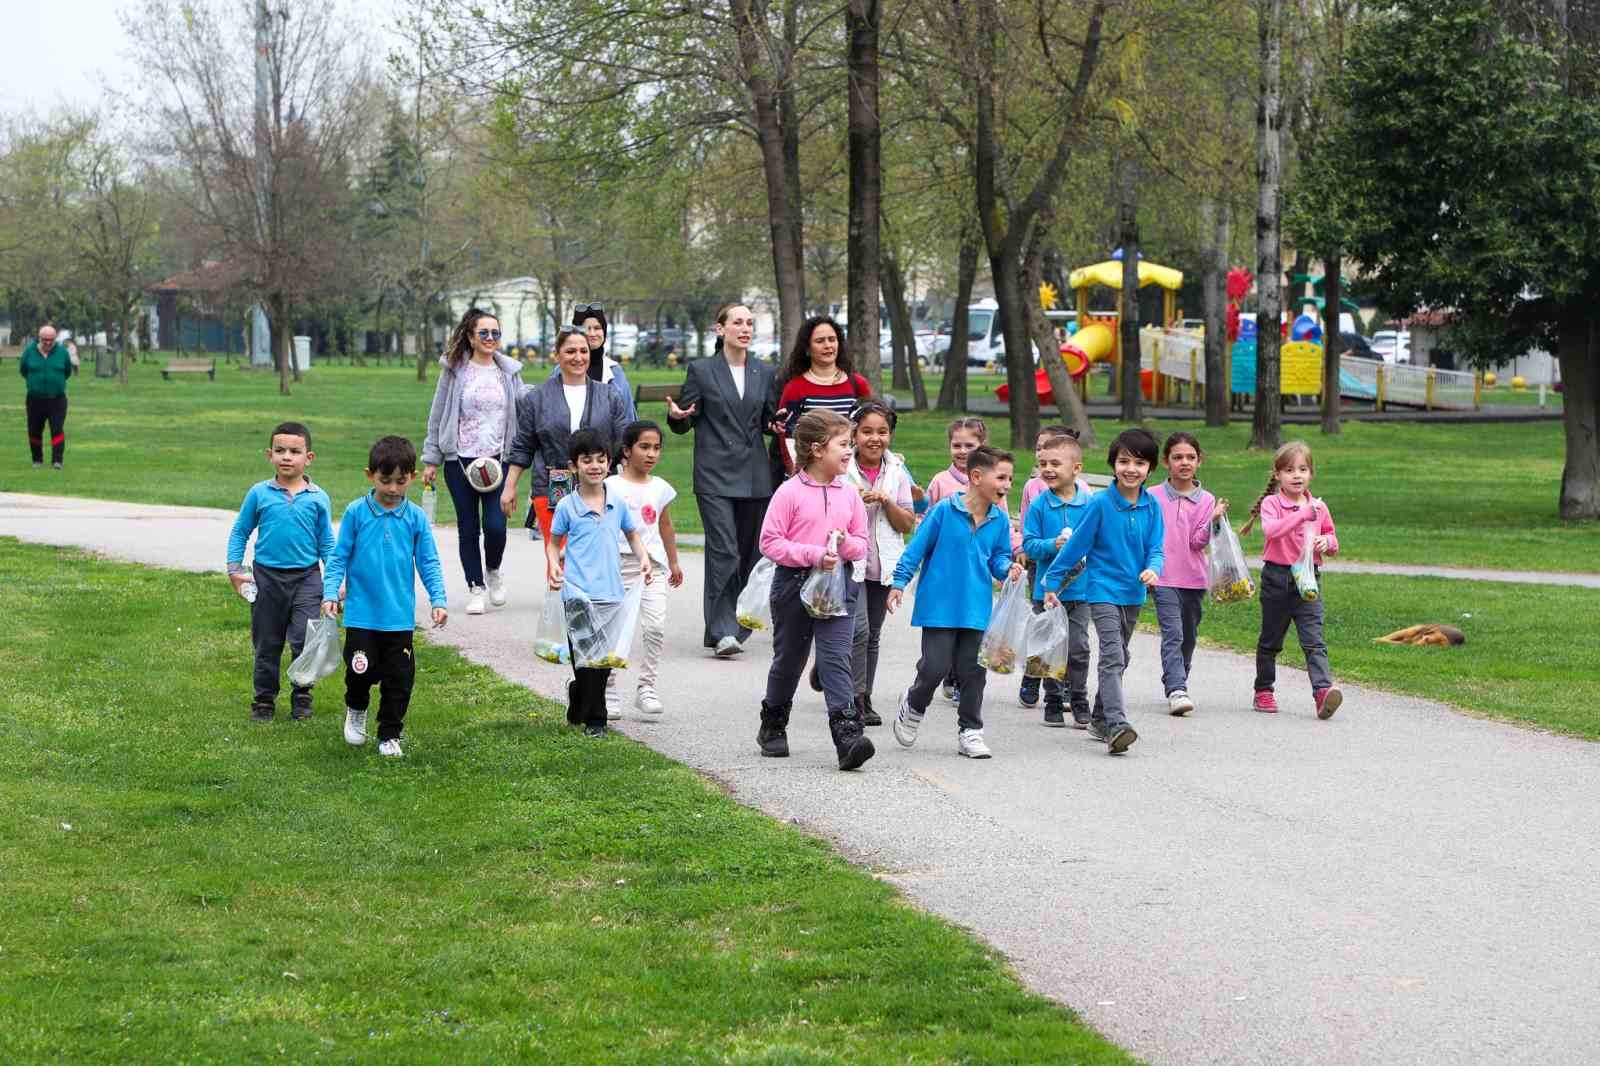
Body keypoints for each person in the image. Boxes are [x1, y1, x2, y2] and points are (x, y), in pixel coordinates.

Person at [755, 410, 874, 770]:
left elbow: (861, 541)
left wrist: (842, 547)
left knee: (837, 658)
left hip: (838, 586)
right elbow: (770, 542)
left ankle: (848, 737)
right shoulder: (789, 492)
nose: (850, 450)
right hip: (794, 585)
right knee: (790, 659)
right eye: (843, 444)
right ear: (817, 449)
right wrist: (812, 554)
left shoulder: (849, 494)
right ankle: (773, 724)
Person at [887, 445, 1022, 761]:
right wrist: (898, 582)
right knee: (935, 667)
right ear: (976, 476)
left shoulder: (999, 519)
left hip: (976, 609)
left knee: (973, 671)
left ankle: (970, 730)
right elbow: (916, 548)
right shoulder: (944, 511)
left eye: (1010, 479)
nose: (1007, 485)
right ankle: (914, 705)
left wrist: (1008, 569)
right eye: (1001, 477)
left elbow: (999, 557)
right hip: (938, 606)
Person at [322, 436, 448, 758]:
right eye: (385, 481)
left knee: (399, 680)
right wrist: (330, 592)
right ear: (370, 475)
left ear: (413, 477)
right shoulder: (356, 513)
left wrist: (438, 600)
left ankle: (389, 734)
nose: (393, 489)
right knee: (360, 671)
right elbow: (338, 557)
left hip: (399, 618)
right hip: (362, 614)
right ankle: (357, 709)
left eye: (401, 481)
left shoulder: (416, 517)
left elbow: (428, 561)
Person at [1042, 428, 1166, 756]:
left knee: (1121, 656)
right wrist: (1052, 581)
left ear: (1150, 469)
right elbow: (1076, 546)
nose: (1131, 469)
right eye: (1124, 461)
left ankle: (1098, 718)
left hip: (1134, 591)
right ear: (1113, 465)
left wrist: (1154, 567)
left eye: (1139, 463)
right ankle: (1116, 723)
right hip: (1102, 589)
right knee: (1112, 655)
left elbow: (1156, 548)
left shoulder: (1152, 507)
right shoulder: (1099, 504)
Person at [666, 303, 779, 658]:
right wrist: (678, 417)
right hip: (714, 473)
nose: (744, 328)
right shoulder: (701, 370)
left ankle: (737, 624)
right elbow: (684, 420)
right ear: (720, 329)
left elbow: (766, 421)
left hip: (754, 475)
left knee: (748, 554)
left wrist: (776, 424)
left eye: (749, 323)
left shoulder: (764, 371)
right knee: (723, 550)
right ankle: (720, 631)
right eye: (737, 323)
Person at [226, 421, 336, 723]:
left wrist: (336, 580)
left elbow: (327, 542)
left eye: (295, 451)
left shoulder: (317, 497)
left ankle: (302, 694)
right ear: (269, 455)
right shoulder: (259, 494)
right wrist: (234, 569)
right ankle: (263, 701)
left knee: (304, 639)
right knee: (267, 642)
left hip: (307, 579)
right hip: (267, 579)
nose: (287, 456)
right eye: (280, 450)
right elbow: (240, 531)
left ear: (308, 458)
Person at [501, 324, 632, 576]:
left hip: (598, 486)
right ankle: (563, 609)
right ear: (557, 355)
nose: (578, 357)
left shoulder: (608, 395)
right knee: (560, 557)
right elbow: (523, 445)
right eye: (570, 351)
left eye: (584, 351)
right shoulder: (537, 398)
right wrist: (510, 486)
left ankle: (591, 609)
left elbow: (623, 441)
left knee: (591, 555)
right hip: (553, 483)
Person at [421, 308, 527, 616]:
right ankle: (475, 587)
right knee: (468, 527)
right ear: (470, 336)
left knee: (496, 525)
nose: (491, 338)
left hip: (498, 459)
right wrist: (431, 459)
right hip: (460, 461)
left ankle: (493, 569)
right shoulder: (455, 371)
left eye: (496, 333)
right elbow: (437, 414)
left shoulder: (508, 371)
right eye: (484, 333)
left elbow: (525, 402)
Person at [547, 428, 653, 738]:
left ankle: (579, 701)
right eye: (586, 460)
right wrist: (554, 565)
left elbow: (633, 534)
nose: (594, 466)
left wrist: (643, 557)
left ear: (610, 463)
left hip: (611, 594)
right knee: (584, 659)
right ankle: (597, 720)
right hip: (577, 594)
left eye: (600, 460)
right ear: (573, 466)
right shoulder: (567, 506)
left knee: (602, 662)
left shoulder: (617, 502)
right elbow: (555, 543)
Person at [1240, 440, 1344, 719]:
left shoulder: (1319, 507)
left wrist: (1327, 542)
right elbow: (1272, 532)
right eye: (1289, 470)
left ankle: (1322, 692)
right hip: (1277, 577)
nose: (1296, 475)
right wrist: (1300, 516)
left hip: (1309, 578)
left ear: (1311, 474)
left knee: (1314, 640)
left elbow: (1333, 540)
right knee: (1271, 639)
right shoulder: (1272, 503)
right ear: (1277, 475)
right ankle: (1264, 689)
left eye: (1302, 469)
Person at [604, 420, 686, 720]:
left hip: (652, 568)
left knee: (655, 627)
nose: (651, 454)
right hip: (618, 566)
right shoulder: (610, 486)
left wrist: (674, 562)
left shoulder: (661, 488)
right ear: (627, 451)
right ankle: (608, 688)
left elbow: (665, 525)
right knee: (615, 631)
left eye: (656, 448)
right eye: (644, 447)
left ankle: (646, 687)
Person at [843, 400, 914, 727]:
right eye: (867, 431)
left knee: (871, 634)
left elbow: (906, 524)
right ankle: (854, 697)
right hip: (849, 562)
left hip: (882, 565)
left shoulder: (896, 472)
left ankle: (865, 695)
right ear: (853, 434)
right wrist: (854, 499)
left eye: (882, 432)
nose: (875, 438)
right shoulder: (843, 468)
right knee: (857, 631)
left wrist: (885, 500)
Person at [1019, 432, 1095, 728]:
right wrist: (1053, 545)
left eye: (1055, 463)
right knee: (1048, 647)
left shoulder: (1089, 504)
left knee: (1079, 647)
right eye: (1042, 464)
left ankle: (1078, 698)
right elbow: (1029, 546)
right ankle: (1051, 700)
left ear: (1076, 469)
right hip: (1047, 591)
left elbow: (1098, 542)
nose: (1047, 469)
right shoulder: (1039, 505)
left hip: (1081, 590)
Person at [1152, 432, 1223, 717]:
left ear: (1199, 461)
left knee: (1189, 636)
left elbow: (1198, 542)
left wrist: (1213, 519)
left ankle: (1177, 675)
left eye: (1190, 457)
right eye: (1177, 457)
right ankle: (1176, 688)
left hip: (1194, 579)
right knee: (1173, 633)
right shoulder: (1152, 496)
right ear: (1166, 462)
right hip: (1163, 577)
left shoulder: (1206, 499)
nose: (1184, 463)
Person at [922, 416, 988, 705]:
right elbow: (926, 520)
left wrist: (1011, 550)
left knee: (969, 623)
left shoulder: (989, 478)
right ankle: (940, 670)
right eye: (956, 445)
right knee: (945, 624)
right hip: (944, 568)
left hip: (975, 567)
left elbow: (999, 517)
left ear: (982, 446)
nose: (962, 451)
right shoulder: (941, 481)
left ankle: (960, 676)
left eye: (969, 445)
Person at [773, 315, 872, 476]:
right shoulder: (795, 388)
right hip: (809, 475)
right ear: (807, 348)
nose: (828, 345)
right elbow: (787, 437)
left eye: (832, 339)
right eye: (820, 341)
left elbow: (871, 427)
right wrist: (796, 473)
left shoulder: (858, 384)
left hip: (852, 475)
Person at [554, 303, 636, 422]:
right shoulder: (560, 370)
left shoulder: (615, 370)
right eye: (587, 328)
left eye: (597, 328)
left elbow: (628, 417)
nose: (592, 334)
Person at [19, 323, 74, 469]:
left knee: (57, 428)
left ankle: (57, 461)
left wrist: (56, 383)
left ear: (55, 339)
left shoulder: (62, 352)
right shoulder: (29, 352)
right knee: (34, 429)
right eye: (45, 339)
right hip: (34, 399)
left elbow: (67, 372)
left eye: (51, 339)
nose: (48, 342)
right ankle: (37, 460)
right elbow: (23, 370)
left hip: (57, 399)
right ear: (39, 338)